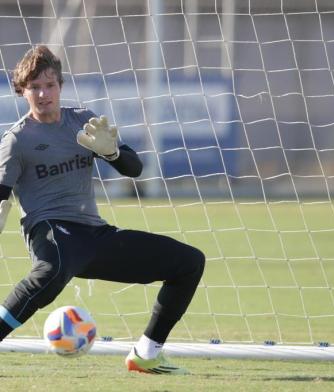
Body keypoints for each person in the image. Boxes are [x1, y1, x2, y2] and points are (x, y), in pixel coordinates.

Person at [0, 45, 205, 375]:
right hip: (50, 228)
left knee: (189, 262)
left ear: (60, 86)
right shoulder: (17, 140)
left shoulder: (83, 121)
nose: (42, 94)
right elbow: (2, 191)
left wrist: (111, 154)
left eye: (49, 85)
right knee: (53, 269)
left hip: (93, 235)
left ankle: (147, 353)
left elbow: (135, 169)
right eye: (34, 87)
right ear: (22, 92)